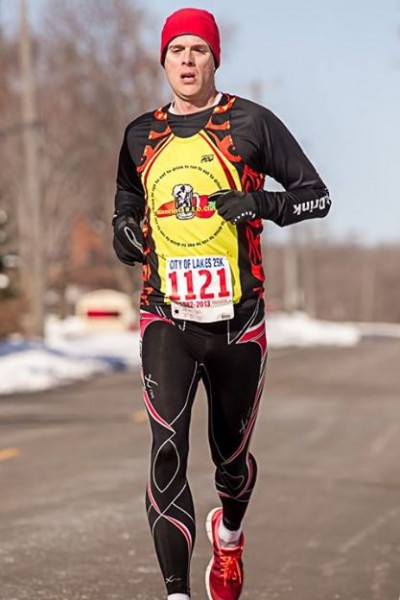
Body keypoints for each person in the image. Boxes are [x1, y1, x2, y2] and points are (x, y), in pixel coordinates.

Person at [112, 8, 331, 600]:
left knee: (230, 462)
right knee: (165, 452)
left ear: (215, 58)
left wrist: (260, 202)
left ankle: (229, 536)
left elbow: (317, 197)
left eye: (198, 50)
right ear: (163, 60)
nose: (186, 60)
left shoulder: (252, 123)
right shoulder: (140, 135)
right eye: (176, 50)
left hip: (238, 323)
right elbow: (126, 203)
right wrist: (125, 230)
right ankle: (178, 592)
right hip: (167, 316)